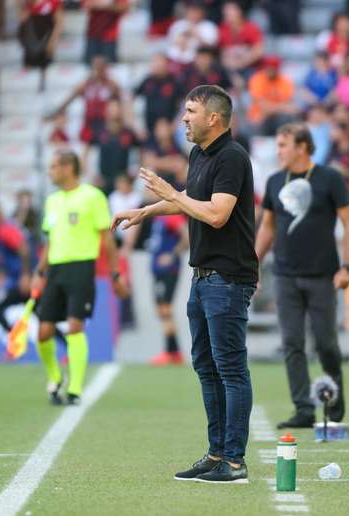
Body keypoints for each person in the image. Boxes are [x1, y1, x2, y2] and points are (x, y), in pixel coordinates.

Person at [112, 85, 258, 483]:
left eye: (190, 110)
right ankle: (215, 454)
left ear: (214, 117)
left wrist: (171, 192)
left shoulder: (232, 157)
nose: (184, 118)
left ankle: (234, 460)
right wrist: (145, 210)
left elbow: (215, 215)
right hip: (202, 276)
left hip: (228, 278)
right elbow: (187, 200)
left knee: (230, 369)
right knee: (206, 367)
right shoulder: (199, 153)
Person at [255, 122, 349, 428]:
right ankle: (303, 408)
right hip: (285, 276)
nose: (278, 151)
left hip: (322, 275)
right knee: (291, 342)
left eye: (283, 145)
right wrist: (253, 263)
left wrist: (347, 266)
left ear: (302, 147)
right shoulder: (275, 181)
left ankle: (334, 396)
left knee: (326, 343)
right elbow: (268, 226)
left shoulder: (330, 179)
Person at [32, 150, 126, 406]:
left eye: (53, 167)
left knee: (75, 327)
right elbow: (50, 241)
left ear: (67, 168)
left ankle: (74, 388)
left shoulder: (92, 196)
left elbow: (107, 239)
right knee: (43, 331)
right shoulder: (52, 201)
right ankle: (55, 377)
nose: (49, 172)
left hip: (82, 269)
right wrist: (39, 272)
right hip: (55, 271)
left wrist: (115, 274)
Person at [0, 203, 34, 333]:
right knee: (44, 318)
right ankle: (14, 341)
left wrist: (25, 275)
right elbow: (11, 258)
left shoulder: (5, 229)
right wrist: (1, 274)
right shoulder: (3, 230)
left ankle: (14, 339)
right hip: (21, 280)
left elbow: (24, 249)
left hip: (23, 282)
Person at [147, 213, 189, 366]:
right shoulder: (158, 216)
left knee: (165, 308)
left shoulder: (172, 216)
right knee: (162, 309)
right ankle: (174, 351)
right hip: (158, 270)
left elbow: (187, 236)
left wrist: (172, 255)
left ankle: (170, 351)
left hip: (168, 270)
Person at [17, 0, 64, 74]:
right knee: (30, 74)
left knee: (45, 71)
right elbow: (22, 19)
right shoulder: (27, 3)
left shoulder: (53, 2)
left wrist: (53, 41)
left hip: (46, 41)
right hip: (30, 43)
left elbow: (59, 23)